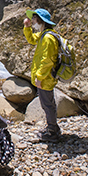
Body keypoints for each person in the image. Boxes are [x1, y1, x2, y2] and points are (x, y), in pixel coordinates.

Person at [23, 8, 61, 141]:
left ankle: (52, 132)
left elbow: (47, 60)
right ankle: (53, 128)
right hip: (45, 77)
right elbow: (32, 40)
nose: (32, 21)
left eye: (34, 19)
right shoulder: (44, 34)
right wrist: (27, 28)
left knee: (48, 104)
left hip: (45, 78)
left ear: (40, 21)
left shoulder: (48, 38)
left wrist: (39, 76)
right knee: (47, 103)